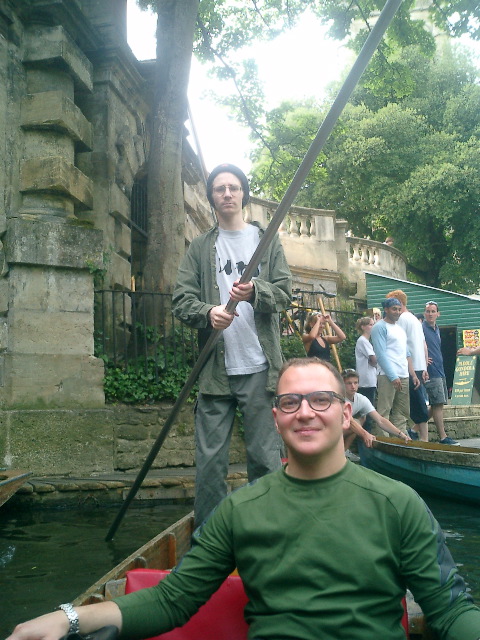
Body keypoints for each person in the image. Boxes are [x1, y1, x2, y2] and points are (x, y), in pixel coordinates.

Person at [8, 358, 480, 640]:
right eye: (291, 403)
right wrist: (68, 618)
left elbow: (451, 610)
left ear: (344, 411)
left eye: (320, 400)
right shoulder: (241, 509)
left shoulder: (398, 503)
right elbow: (173, 600)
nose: (306, 413)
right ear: (275, 417)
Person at [172, 163, 292, 526]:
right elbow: (181, 299)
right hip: (215, 369)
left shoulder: (265, 242)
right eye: (220, 188)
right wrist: (208, 312)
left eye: (234, 187)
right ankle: (208, 539)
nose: (227, 193)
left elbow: (286, 293)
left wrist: (257, 290)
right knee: (210, 460)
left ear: (243, 194)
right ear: (211, 196)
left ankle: (268, 531)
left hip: (259, 367)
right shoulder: (200, 247)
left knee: (264, 456)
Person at [370, 298, 419, 434]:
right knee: (384, 411)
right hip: (387, 375)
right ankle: (384, 442)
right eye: (394, 309)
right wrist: (393, 376)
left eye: (399, 309)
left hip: (403, 374)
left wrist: (413, 374)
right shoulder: (379, 327)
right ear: (386, 310)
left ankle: (401, 440)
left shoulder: (400, 329)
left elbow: (407, 353)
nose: (397, 312)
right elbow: (380, 354)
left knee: (402, 412)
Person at [386, 289, 429, 441]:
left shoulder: (402, 319)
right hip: (418, 366)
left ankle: (424, 438)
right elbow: (423, 345)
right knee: (417, 401)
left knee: (414, 404)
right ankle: (417, 434)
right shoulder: (415, 320)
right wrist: (424, 367)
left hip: (408, 368)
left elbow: (400, 344)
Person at [342, 369, 411, 448]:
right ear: (342, 384)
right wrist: (366, 434)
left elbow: (380, 420)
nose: (353, 386)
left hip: (343, 429)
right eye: (349, 383)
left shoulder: (361, 399)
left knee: (361, 419)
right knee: (355, 423)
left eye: (355, 383)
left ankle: (344, 453)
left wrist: (401, 435)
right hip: (332, 431)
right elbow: (350, 422)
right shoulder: (339, 398)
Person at [423, 301, 459, 445]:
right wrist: (423, 358)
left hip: (440, 368)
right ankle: (443, 437)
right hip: (431, 371)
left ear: (438, 314)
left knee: (438, 403)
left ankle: (414, 429)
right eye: (428, 311)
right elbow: (414, 344)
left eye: (433, 311)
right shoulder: (422, 328)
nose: (430, 314)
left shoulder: (436, 329)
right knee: (437, 403)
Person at [354, 316, 377, 432]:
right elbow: (373, 360)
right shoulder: (363, 341)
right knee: (367, 411)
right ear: (363, 327)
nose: (372, 327)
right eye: (370, 324)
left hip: (369, 379)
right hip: (367, 380)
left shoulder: (366, 341)